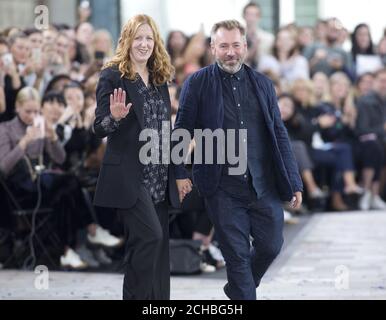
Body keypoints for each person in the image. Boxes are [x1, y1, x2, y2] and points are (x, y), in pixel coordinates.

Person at [173, 20, 303, 300]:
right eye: (223, 46)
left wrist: (294, 181)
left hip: (263, 184)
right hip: (222, 188)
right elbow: (182, 131)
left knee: (271, 246)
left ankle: (237, 290)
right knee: (237, 256)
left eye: (235, 45)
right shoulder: (196, 83)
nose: (230, 52)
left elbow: (279, 134)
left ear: (245, 47)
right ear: (212, 48)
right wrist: (180, 172)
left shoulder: (263, 84)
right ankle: (243, 292)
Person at [93, 14, 191, 300]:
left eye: (149, 38)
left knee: (158, 250)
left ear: (156, 42)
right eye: (138, 38)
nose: (144, 43)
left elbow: (167, 131)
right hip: (129, 176)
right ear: (127, 40)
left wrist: (180, 172)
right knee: (151, 236)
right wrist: (114, 117)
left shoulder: (160, 79)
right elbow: (99, 127)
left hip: (160, 174)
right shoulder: (112, 75)